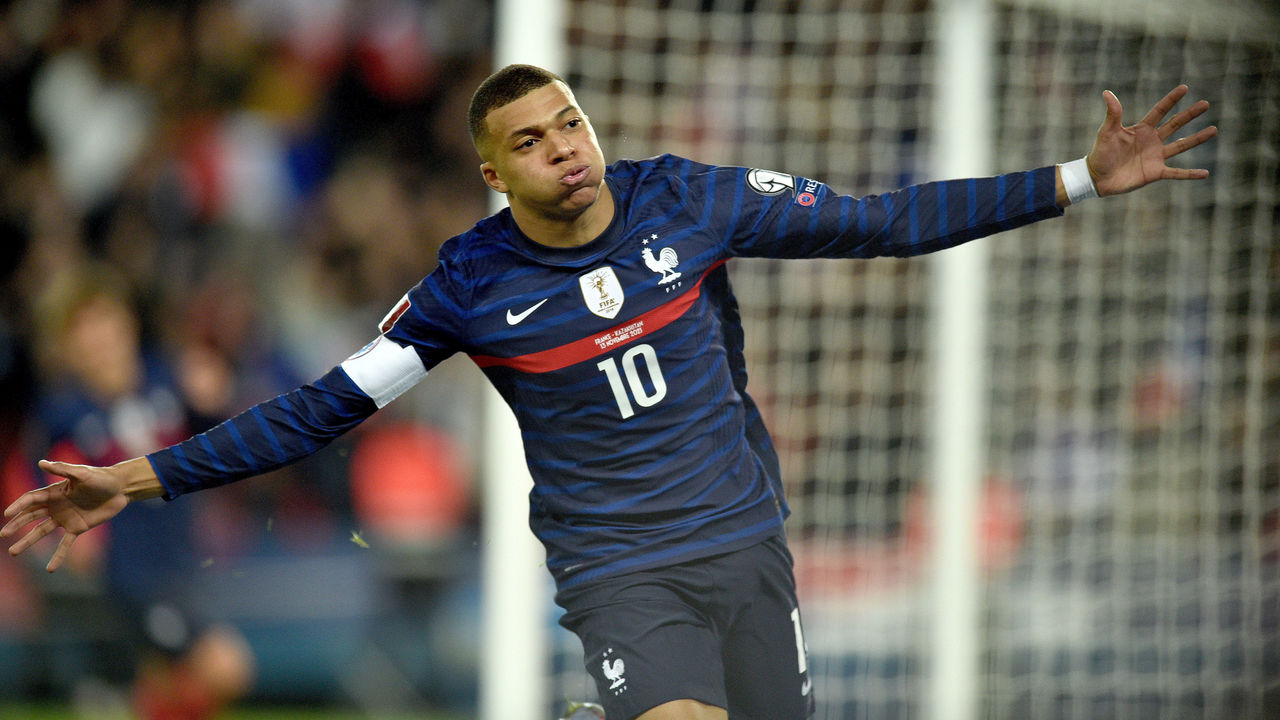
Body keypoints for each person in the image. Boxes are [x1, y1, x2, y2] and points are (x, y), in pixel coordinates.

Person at [3, 64, 1216, 720]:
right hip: (620, 570)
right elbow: (321, 406)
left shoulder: (685, 198)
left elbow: (883, 223)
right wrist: (142, 476)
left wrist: (1070, 178)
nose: (563, 148)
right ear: (492, 171)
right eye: (529, 142)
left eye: (568, 123)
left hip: (746, 543)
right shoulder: (463, 287)